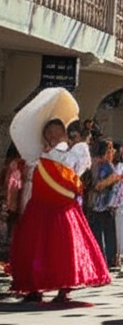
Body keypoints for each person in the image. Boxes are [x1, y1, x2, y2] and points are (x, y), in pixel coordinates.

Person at [7, 88, 110, 303]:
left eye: (51, 134)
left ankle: (46, 288)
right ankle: (52, 288)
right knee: (55, 250)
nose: (51, 138)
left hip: (50, 208)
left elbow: (65, 175)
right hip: (54, 208)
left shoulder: (53, 156)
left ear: (54, 135)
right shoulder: (59, 155)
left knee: (47, 249)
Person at [87, 139, 122, 270]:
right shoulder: (104, 165)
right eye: (109, 150)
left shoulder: (93, 164)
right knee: (107, 232)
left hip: (96, 204)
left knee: (98, 232)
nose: (112, 153)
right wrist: (112, 179)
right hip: (103, 203)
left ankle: (101, 260)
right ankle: (108, 259)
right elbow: (98, 185)